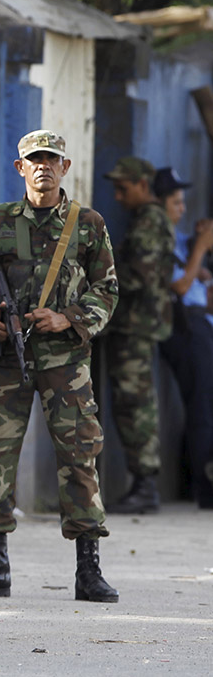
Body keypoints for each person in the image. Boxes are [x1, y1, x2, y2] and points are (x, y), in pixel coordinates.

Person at [0, 129, 118, 604]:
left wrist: (67, 316)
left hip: (66, 361)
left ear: (65, 167)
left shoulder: (87, 224)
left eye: (52, 159)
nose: (44, 167)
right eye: (34, 159)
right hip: (7, 359)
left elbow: (107, 290)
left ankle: (89, 569)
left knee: (79, 456)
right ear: (19, 168)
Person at [102, 156, 175, 514]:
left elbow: (140, 275)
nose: (118, 196)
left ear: (143, 186)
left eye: (123, 188)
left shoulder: (149, 220)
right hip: (134, 325)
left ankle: (145, 483)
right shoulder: (147, 219)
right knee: (132, 401)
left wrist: (99, 284)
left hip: (135, 325)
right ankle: (143, 483)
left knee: (135, 404)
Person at [154, 167, 213, 509]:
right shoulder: (158, 241)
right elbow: (179, 285)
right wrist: (201, 248)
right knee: (201, 409)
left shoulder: (177, 240)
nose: (182, 209)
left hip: (199, 326)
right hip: (184, 330)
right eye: (176, 203)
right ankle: (204, 490)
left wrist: (197, 248)